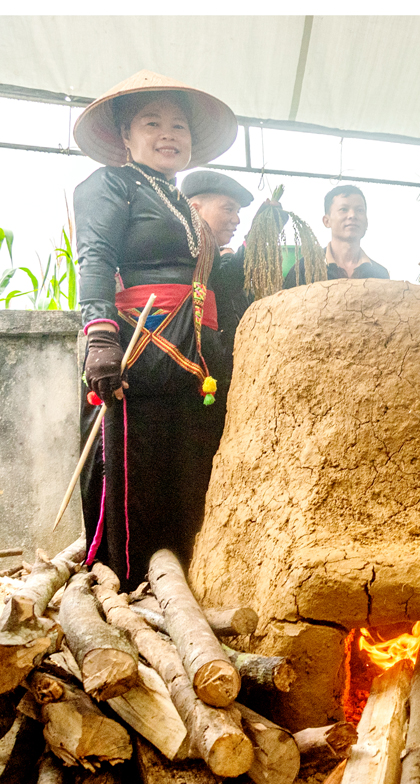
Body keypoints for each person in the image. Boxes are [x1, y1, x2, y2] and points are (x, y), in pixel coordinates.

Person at [73, 69, 239, 588]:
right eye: (152, 122)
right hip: (136, 352)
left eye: (179, 126)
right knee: (134, 473)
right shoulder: (110, 184)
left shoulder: (178, 201)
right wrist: (99, 334)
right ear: (125, 136)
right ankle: (125, 589)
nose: (169, 134)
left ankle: (184, 589)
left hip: (192, 356)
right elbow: (95, 256)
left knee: (186, 471)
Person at [285, 184, 389, 285]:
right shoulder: (304, 270)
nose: (352, 215)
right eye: (343, 209)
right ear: (326, 221)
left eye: (359, 210)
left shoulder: (380, 275)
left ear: (366, 222)